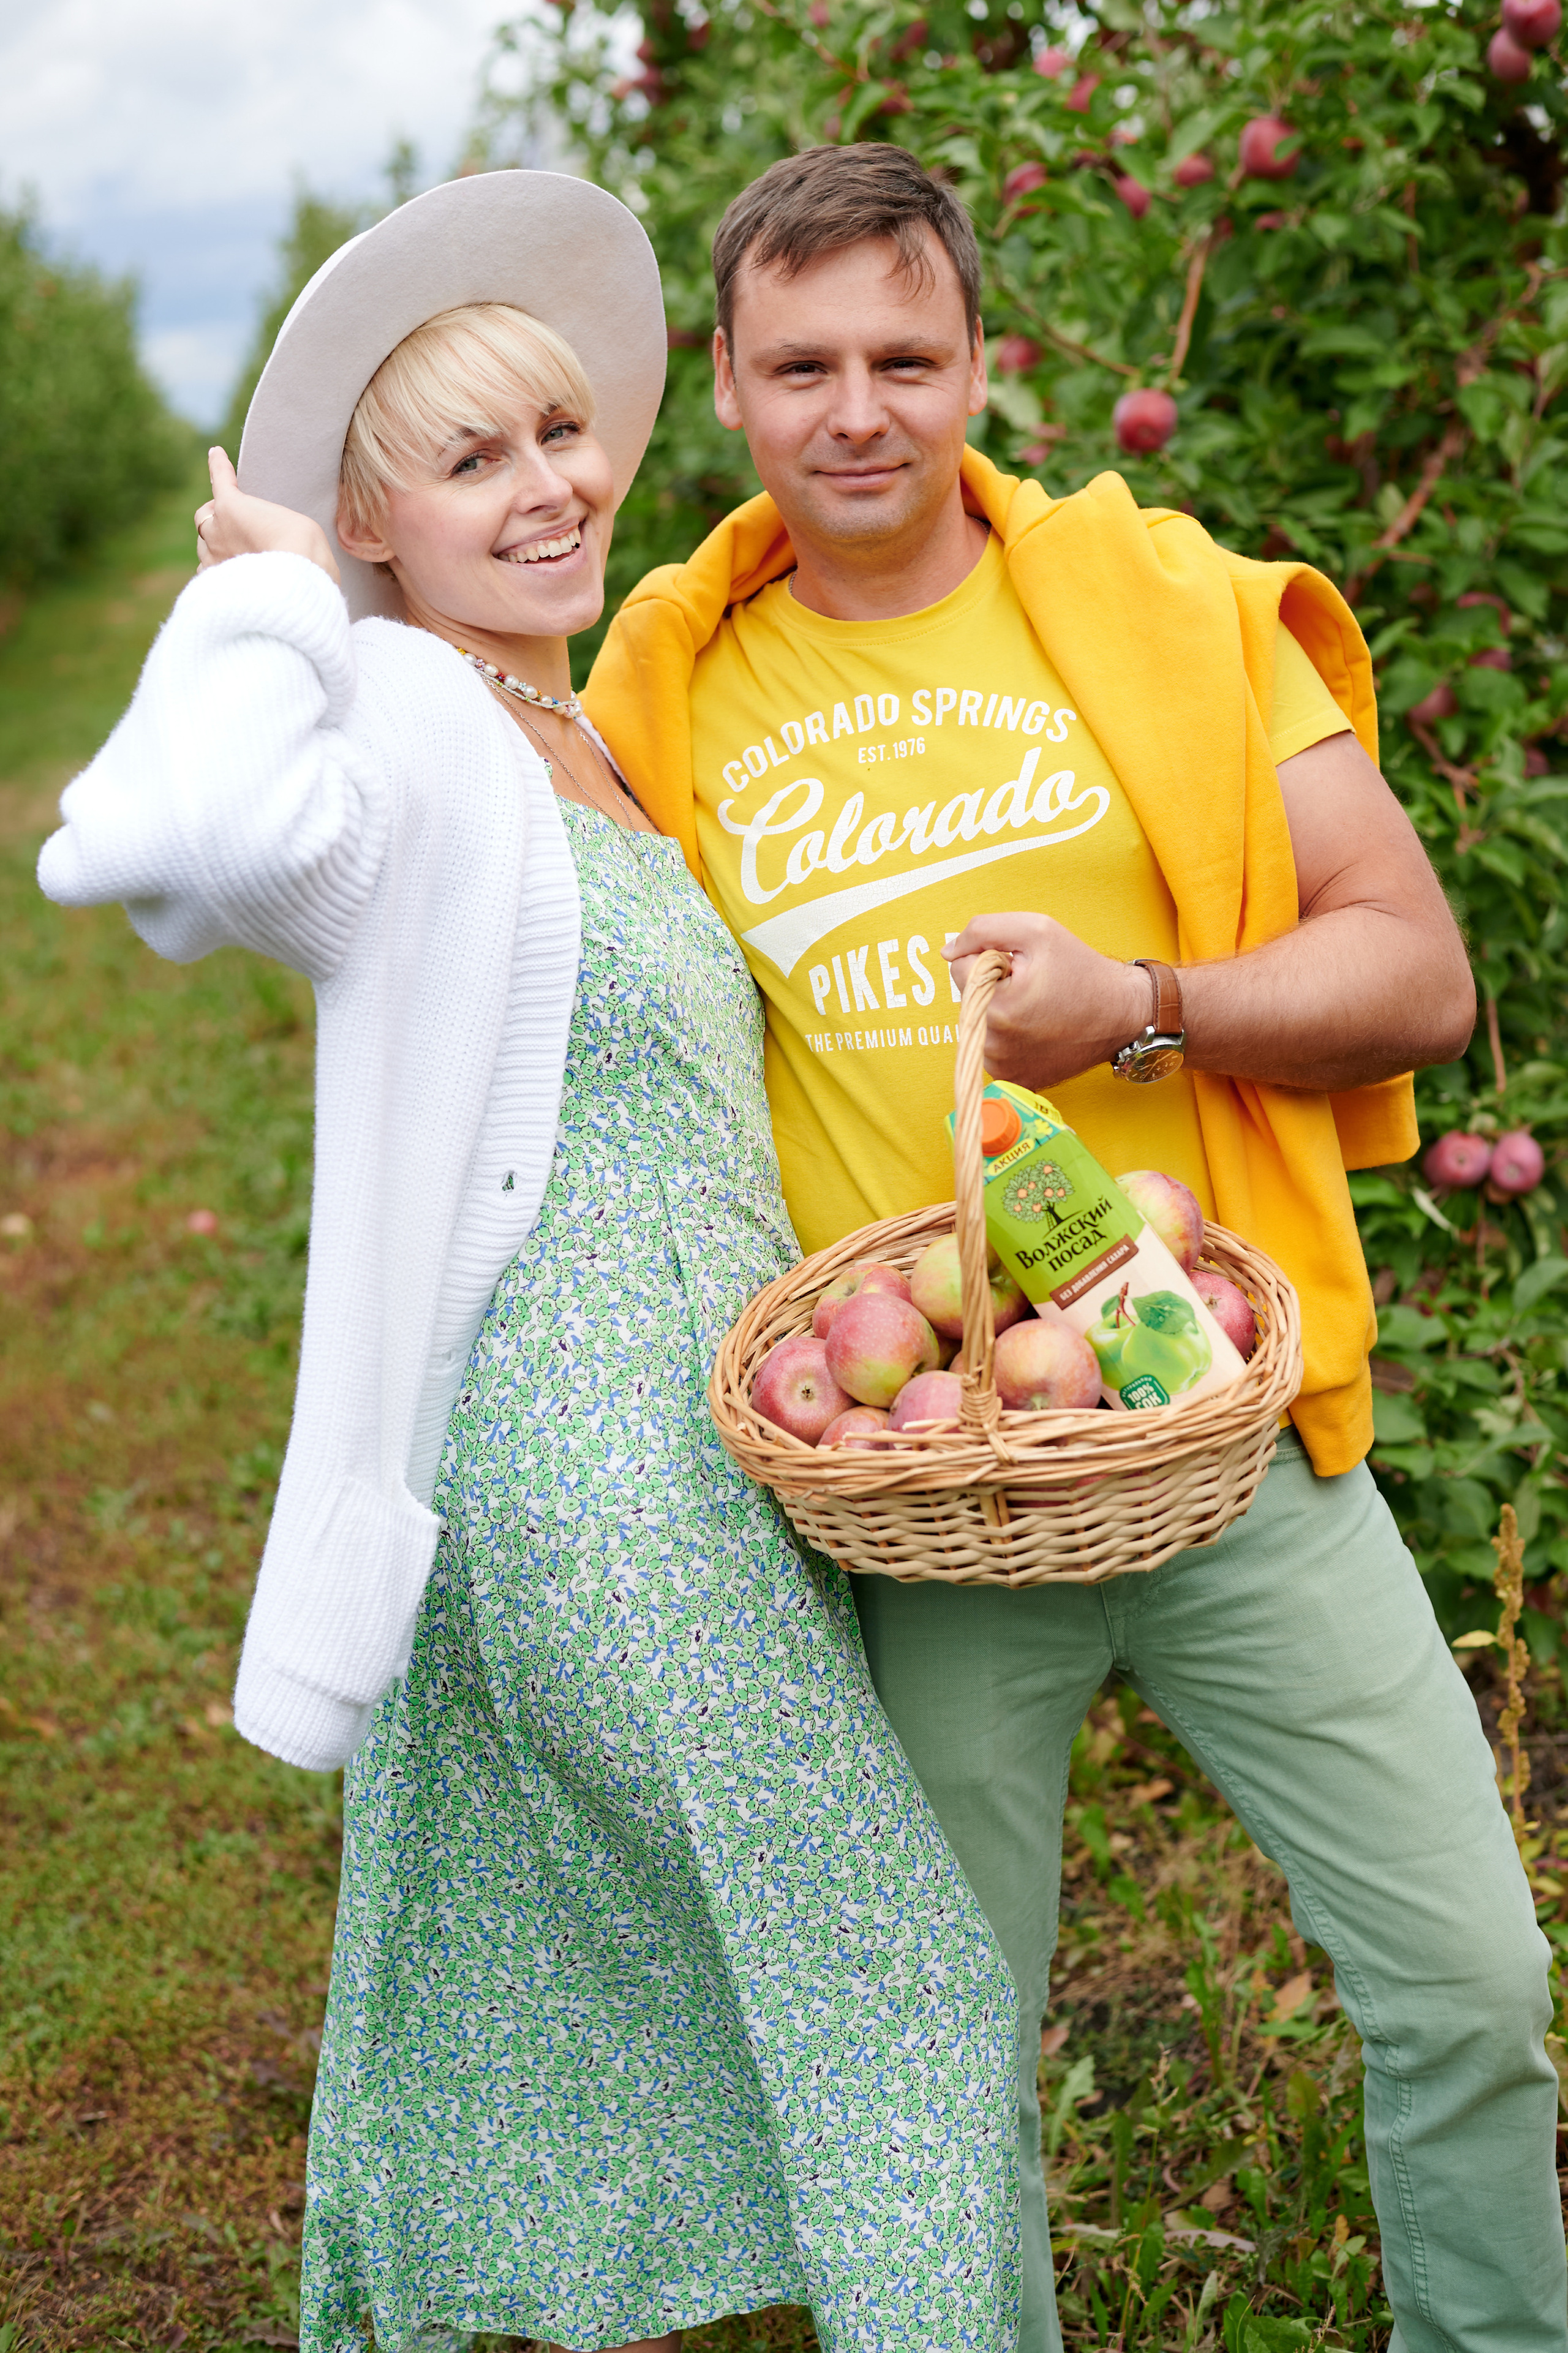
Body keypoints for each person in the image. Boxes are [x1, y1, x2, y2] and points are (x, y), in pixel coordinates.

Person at [584, 142, 1567, 2352]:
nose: (861, 411)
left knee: (1475, 1986)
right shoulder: (663, 695)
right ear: (728, 391)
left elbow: (1412, 971)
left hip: (1218, 1434)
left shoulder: (1171, 609)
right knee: (936, 2089)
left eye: (907, 359)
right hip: (919, 1507)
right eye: (805, 363)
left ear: (984, 368)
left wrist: (1143, 1007)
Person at [36, 171, 1023, 2353]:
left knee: (509, 1960)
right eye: (470, 460)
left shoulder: (580, 739)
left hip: (657, 1455)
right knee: (903, 1994)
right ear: (377, 518)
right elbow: (167, 839)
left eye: (560, 433)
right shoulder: (404, 726)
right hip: (596, 1479)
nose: (549, 486)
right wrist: (279, 607)